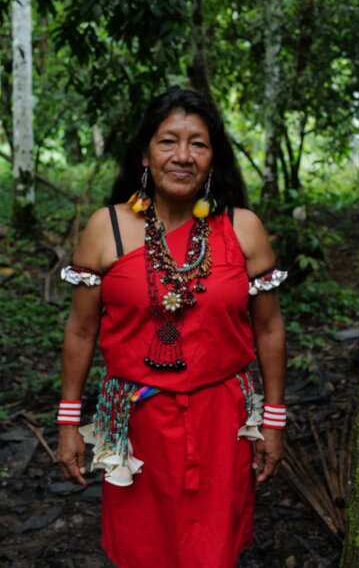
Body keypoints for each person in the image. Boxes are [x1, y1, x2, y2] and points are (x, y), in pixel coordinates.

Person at [55, 88, 288, 567]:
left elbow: (269, 330)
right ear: (146, 153)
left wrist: (274, 421)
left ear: (212, 158)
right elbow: (81, 332)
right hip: (135, 426)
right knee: (143, 549)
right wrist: (68, 424)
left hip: (221, 423)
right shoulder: (108, 228)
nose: (183, 156)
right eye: (168, 142)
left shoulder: (242, 229)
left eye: (198, 144)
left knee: (212, 551)